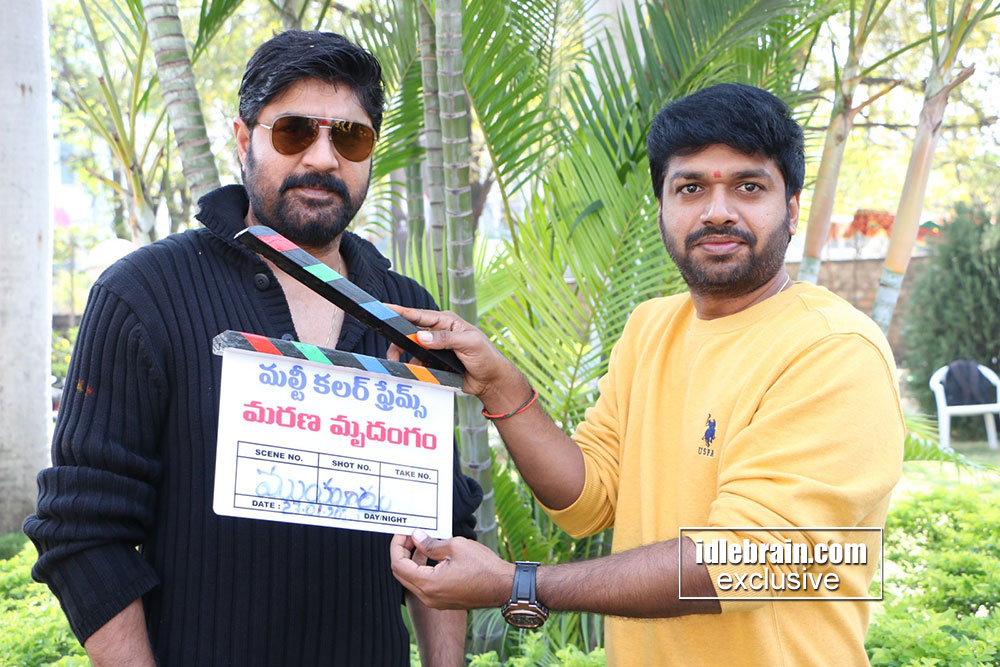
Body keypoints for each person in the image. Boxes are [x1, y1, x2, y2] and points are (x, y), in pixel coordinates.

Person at [387, 83, 904, 666]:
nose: (717, 211)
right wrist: (498, 383)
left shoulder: (833, 349)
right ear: (661, 206)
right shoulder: (651, 327)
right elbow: (586, 500)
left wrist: (518, 583)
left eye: (749, 186)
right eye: (691, 188)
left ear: (791, 207)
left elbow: (745, 563)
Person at [24, 31, 481, 667]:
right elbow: (82, 533)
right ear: (244, 140)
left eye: (350, 137)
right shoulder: (142, 293)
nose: (323, 157)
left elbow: (439, 533)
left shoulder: (407, 311)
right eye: (294, 131)